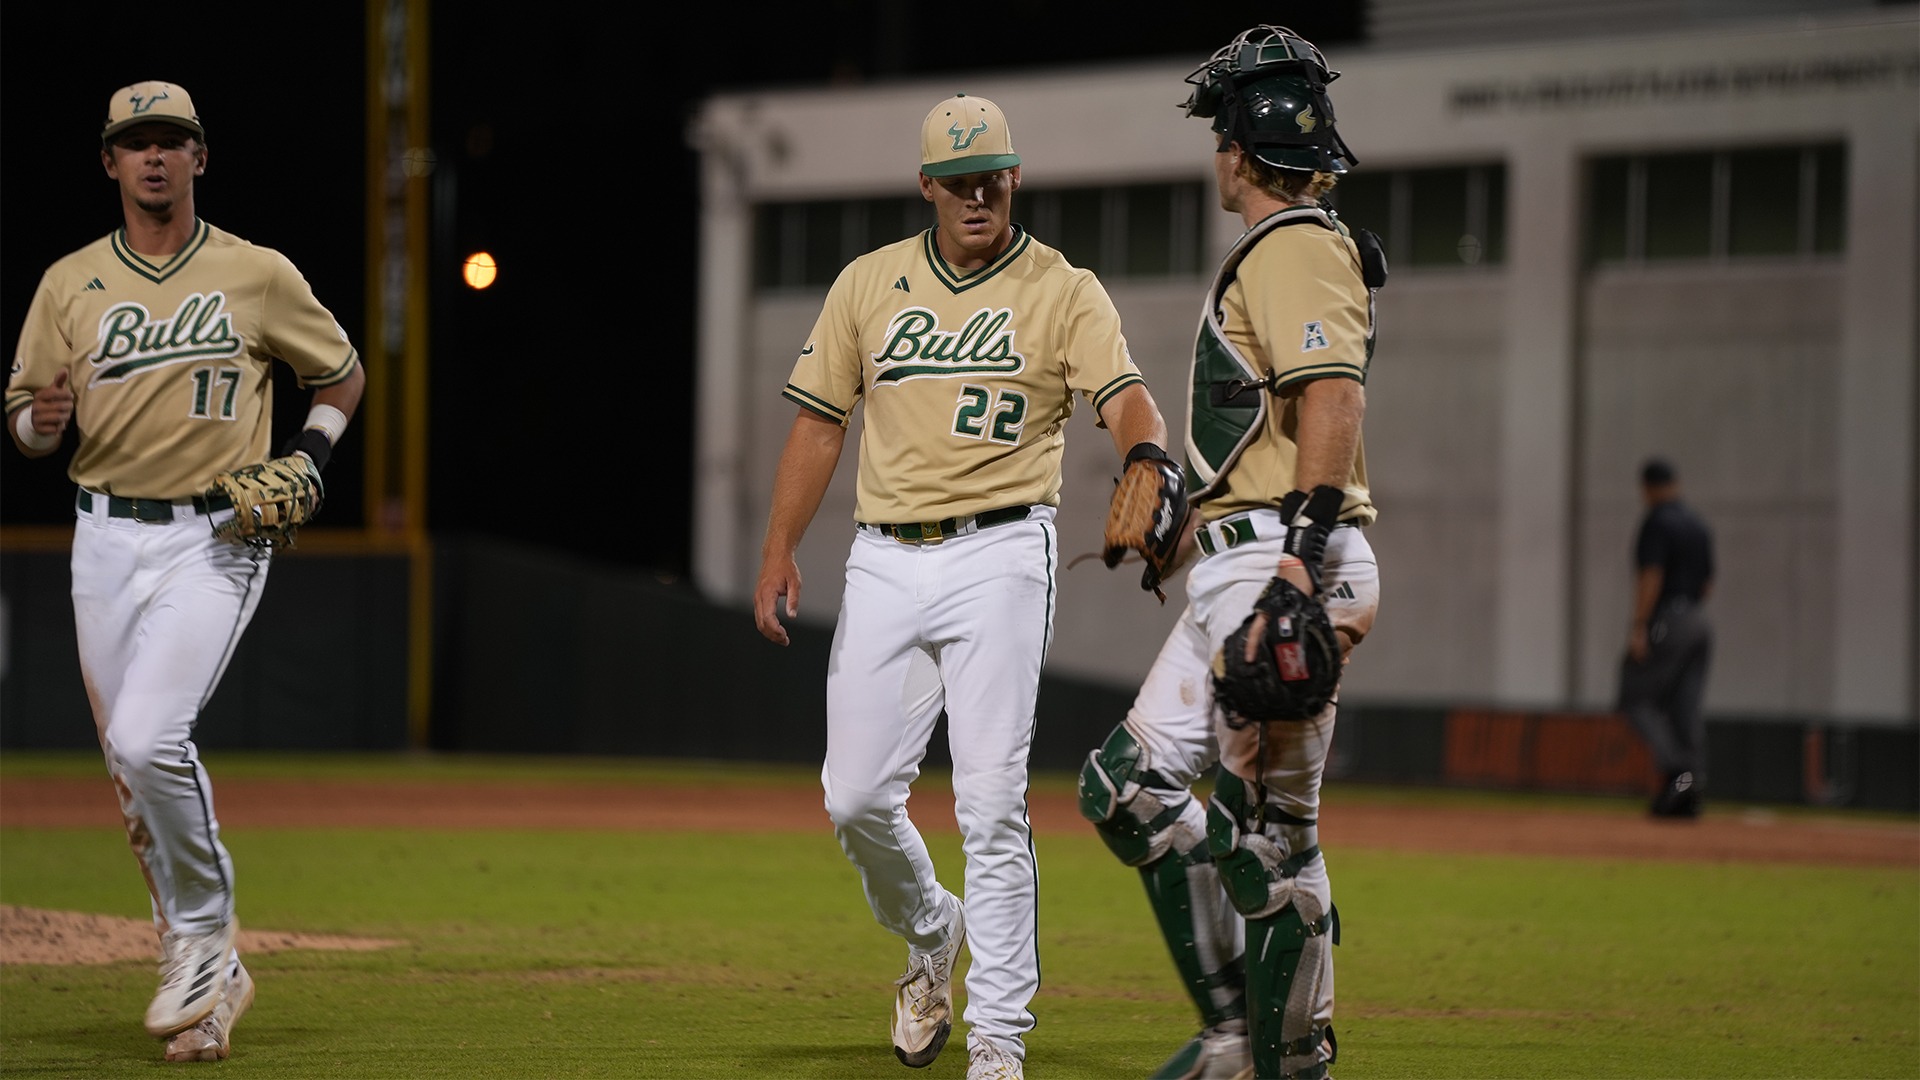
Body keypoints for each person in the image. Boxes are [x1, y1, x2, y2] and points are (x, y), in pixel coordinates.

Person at [753, 92, 1175, 1080]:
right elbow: (820, 425)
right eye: (959, 178)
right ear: (928, 187)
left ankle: (998, 1044)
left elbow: (1124, 397)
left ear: (1014, 175)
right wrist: (780, 546)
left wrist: (1147, 453)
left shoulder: (1064, 290)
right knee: (854, 796)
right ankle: (932, 929)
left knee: (989, 801)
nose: (978, 192)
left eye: (994, 173)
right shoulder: (868, 286)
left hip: (1000, 555)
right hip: (887, 558)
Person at [4, 80, 365, 1063]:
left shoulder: (256, 273)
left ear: (200, 158)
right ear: (111, 163)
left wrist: (313, 455)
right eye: (136, 142)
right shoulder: (67, 283)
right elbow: (26, 420)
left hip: (216, 534)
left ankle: (207, 937)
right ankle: (204, 983)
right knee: (131, 771)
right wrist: (36, 424)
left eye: (171, 140)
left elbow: (341, 374)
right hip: (102, 538)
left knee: (151, 734)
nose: (154, 157)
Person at [1076, 26, 1386, 1080]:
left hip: (1287, 562)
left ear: (1244, 144)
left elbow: (1333, 397)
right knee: (1127, 791)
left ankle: (1282, 1058)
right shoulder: (1289, 243)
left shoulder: (1295, 239)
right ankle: (1235, 1037)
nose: (1215, 150)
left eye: (1221, 130)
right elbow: (1280, 422)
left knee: (1274, 850)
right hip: (1244, 556)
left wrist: (1297, 555)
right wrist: (1195, 526)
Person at [1618, 457, 1715, 819]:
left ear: (1648, 487)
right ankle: (1690, 787)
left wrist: (1640, 626)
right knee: (1685, 708)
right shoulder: (1697, 525)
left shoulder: (1658, 521)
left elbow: (1651, 575)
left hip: (1667, 618)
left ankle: (1678, 773)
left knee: (1634, 698)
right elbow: (1707, 584)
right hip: (1698, 620)